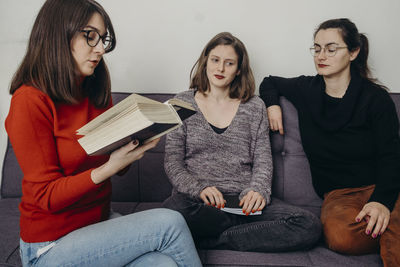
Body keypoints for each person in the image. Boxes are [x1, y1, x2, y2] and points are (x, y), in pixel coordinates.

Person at [5, 0, 202, 266]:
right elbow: (46, 196)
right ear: (58, 34)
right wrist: (110, 167)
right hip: (50, 244)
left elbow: (107, 161)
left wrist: (131, 148)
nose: (99, 49)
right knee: (170, 222)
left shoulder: (94, 87)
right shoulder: (30, 100)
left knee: (163, 263)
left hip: (96, 225)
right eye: (90, 37)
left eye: (103, 39)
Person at [162, 32, 321, 252]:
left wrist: (257, 190)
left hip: (243, 201)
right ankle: (243, 231)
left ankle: (215, 240)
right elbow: (172, 162)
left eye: (229, 63)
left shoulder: (254, 106)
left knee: (308, 225)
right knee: (173, 209)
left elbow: (263, 159)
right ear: (205, 61)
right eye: (215, 60)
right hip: (198, 203)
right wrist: (199, 189)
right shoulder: (180, 103)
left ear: (238, 70)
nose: (220, 69)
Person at [259, 18, 400, 266]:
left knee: (393, 217)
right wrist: (272, 105)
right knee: (339, 237)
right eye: (317, 48)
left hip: (383, 186)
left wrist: (381, 201)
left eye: (331, 48)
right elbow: (269, 81)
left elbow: (391, 155)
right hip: (340, 196)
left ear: (353, 52)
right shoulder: (306, 89)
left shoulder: (376, 99)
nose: (321, 55)